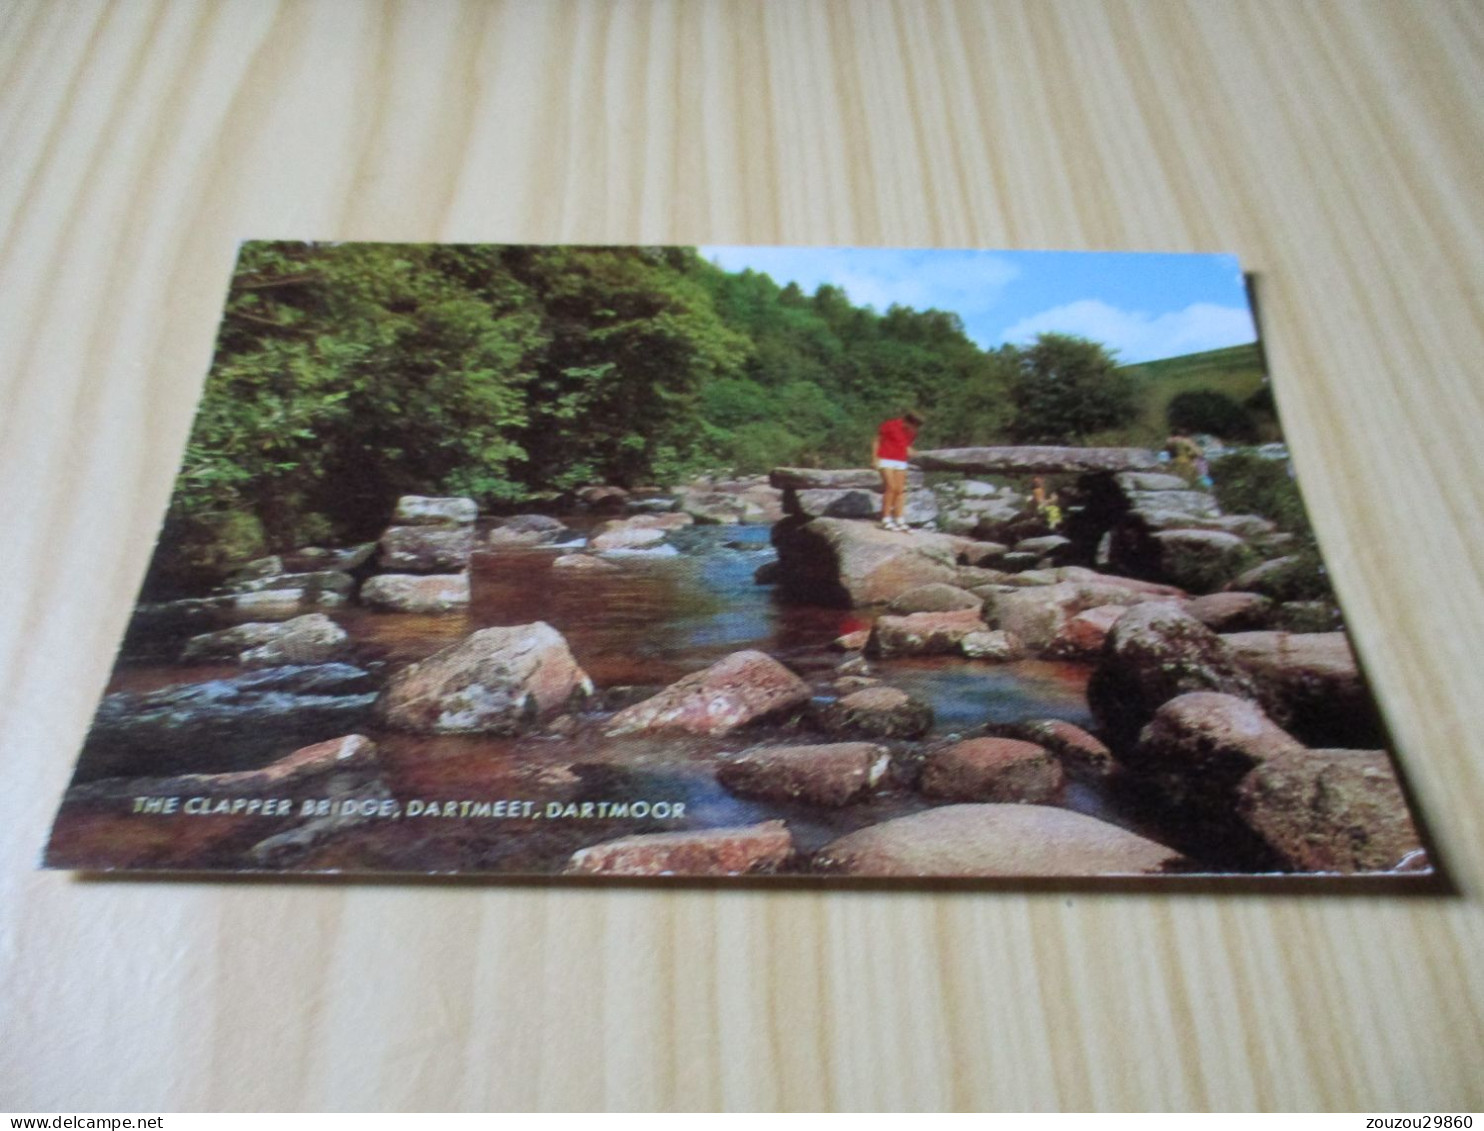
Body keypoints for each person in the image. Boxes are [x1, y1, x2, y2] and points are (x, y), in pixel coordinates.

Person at [872, 410, 923, 531]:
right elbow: (877, 440)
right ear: (907, 421)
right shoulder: (890, 425)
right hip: (886, 458)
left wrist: (911, 450)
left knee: (900, 490)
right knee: (891, 487)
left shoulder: (912, 432)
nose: (914, 429)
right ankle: (886, 518)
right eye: (913, 425)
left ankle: (899, 518)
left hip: (900, 460)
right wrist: (874, 458)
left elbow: (905, 445)